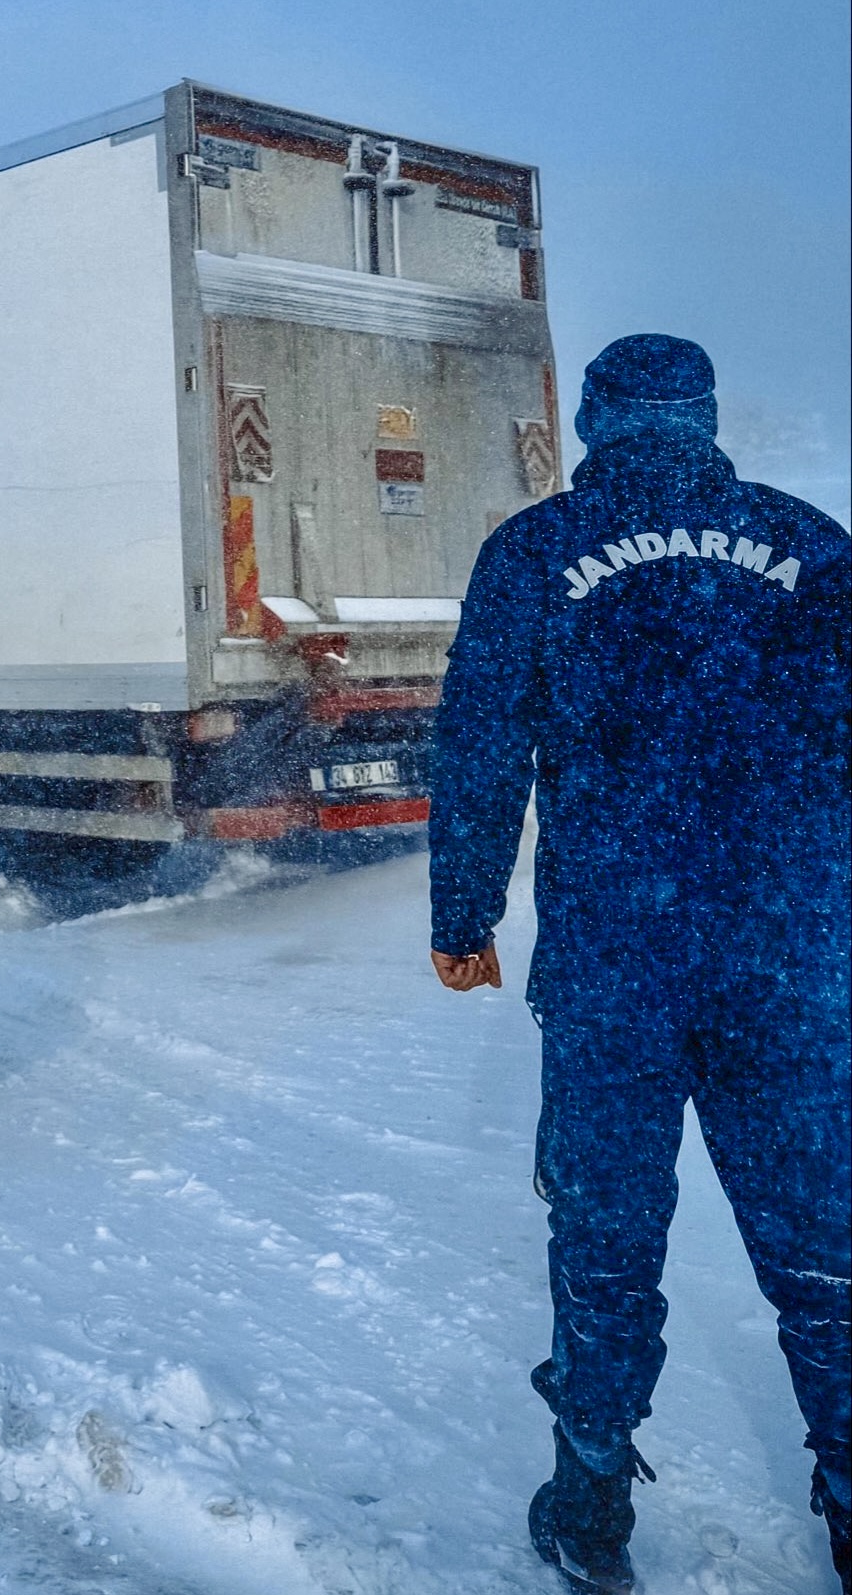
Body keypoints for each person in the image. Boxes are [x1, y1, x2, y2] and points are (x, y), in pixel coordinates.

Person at [428, 334, 849, 1594]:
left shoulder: (536, 553)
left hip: (621, 970)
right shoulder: (815, 546)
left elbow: (482, 749)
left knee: (609, 1241)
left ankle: (592, 1506)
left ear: (601, 421)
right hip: (792, 965)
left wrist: (462, 915)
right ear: (706, 419)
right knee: (827, 1251)